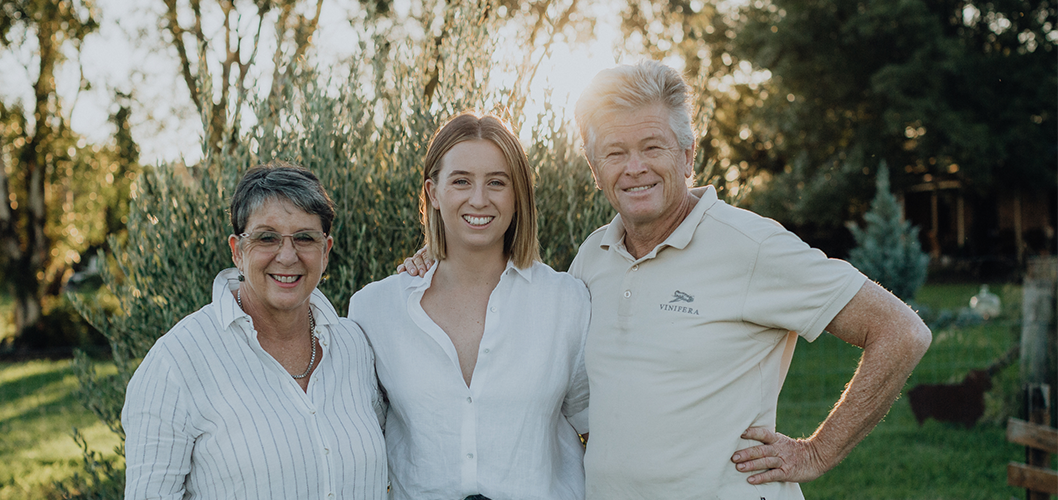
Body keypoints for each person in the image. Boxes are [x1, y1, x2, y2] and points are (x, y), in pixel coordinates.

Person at [402, 62, 931, 499]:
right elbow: (529, 317)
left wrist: (815, 452)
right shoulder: (594, 257)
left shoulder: (751, 247)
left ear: (687, 154)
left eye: (652, 147)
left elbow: (902, 332)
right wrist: (443, 259)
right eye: (614, 152)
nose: (634, 168)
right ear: (594, 167)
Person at [349, 113, 591, 500]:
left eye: (497, 182)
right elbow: (350, 437)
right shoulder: (374, 309)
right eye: (461, 181)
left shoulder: (566, 302)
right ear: (433, 192)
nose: (479, 199)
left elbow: (598, 425)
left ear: (518, 195)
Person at [122, 161, 387, 499]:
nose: (288, 256)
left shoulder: (355, 347)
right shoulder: (176, 363)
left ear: (326, 251)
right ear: (237, 251)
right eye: (267, 238)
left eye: (305, 238)